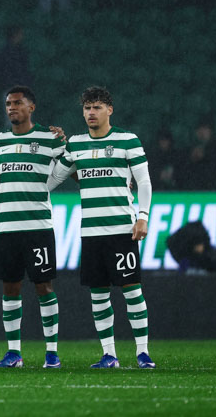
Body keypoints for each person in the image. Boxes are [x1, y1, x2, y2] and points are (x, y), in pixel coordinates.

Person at [48, 86, 155, 369]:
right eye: (87, 108)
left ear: (109, 109)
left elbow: (143, 182)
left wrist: (142, 215)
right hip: (91, 232)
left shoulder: (127, 140)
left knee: (132, 291)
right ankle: (109, 354)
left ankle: (142, 353)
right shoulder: (76, 144)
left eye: (96, 107)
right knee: (99, 294)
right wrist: (55, 147)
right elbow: (51, 180)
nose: (91, 113)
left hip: (122, 229)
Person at [0, 87, 66, 368]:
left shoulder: (50, 138)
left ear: (32, 107)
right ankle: (13, 353)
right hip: (6, 225)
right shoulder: (0, 140)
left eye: (18, 103)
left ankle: (52, 353)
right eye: (8, 103)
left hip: (38, 225)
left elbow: (74, 167)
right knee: (10, 287)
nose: (11, 108)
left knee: (44, 286)